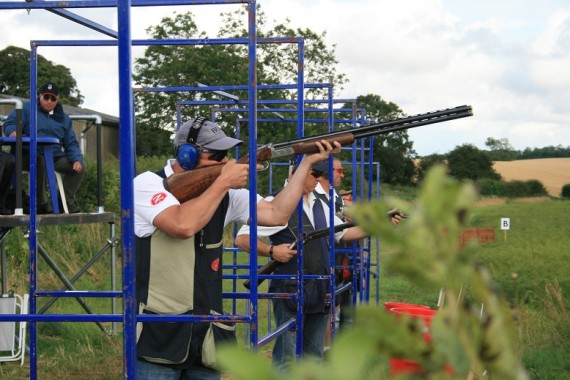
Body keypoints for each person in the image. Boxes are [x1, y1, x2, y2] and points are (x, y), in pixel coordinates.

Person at [133, 116, 341, 380]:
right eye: (218, 155)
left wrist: (306, 165)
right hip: (158, 335)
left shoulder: (225, 194)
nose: (225, 162)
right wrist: (222, 182)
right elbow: (181, 224)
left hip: (206, 337)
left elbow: (277, 214)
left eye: (227, 154)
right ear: (186, 156)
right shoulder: (147, 184)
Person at [234, 163, 369, 370]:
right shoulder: (274, 202)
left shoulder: (322, 203)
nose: (318, 179)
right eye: (314, 174)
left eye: (321, 174)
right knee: (286, 360)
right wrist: (272, 251)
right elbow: (242, 239)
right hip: (289, 289)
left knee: (313, 360)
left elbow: (344, 233)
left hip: (320, 289)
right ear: (296, 173)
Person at [3, 82, 85, 213]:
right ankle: (41, 204)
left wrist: (76, 159)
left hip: (54, 157)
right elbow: (9, 123)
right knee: (39, 160)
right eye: (46, 97)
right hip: (28, 155)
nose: (49, 101)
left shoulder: (64, 119)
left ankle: (63, 202)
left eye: (53, 98)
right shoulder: (26, 108)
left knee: (80, 166)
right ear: (40, 96)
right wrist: (12, 131)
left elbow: (71, 143)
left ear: (57, 99)